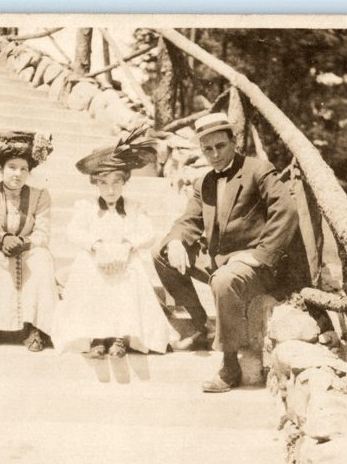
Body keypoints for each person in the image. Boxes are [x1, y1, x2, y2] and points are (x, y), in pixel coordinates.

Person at [154, 113, 311, 392]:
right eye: (207, 149)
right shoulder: (204, 182)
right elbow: (189, 220)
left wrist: (261, 255)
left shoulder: (258, 170)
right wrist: (177, 241)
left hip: (260, 266)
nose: (214, 154)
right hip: (221, 261)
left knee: (224, 280)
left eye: (220, 146)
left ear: (234, 142)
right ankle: (202, 326)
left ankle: (229, 366)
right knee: (162, 252)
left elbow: (286, 211)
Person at [51, 126, 176, 358]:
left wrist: (127, 246)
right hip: (97, 260)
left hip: (124, 262)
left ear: (125, 181)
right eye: (104, 183)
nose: (110, 190)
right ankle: (97, 335)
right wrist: (97, 247)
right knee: (88, 267)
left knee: (131, 270)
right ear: (95, 184)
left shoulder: (134, 207)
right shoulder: (85, 206)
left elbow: (148, 234)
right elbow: (73, 231)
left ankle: (120, 335)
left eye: (116, 182)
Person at [0, 131, 58, 352]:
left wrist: (22, 243)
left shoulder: (40, 196)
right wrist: (3, 239)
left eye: (23, 168)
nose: (17, 174)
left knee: (42, 256)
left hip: (26, 250)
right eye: (12, 167)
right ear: (1, 169)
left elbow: (42, 234)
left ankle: (34, 328)